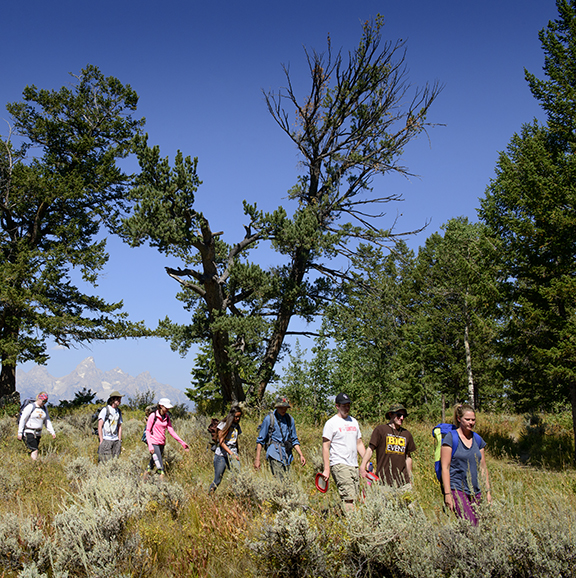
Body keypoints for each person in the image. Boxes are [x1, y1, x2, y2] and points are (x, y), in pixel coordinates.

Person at [440, 403, 492, 526]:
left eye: (473, 420)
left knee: (480, 525)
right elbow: (445, 468)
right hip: (457, 488)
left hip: (476, 490)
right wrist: (447, 494)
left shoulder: (478, 440)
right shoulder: (451, 438)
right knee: (470, 524)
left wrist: (488, 492)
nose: (471, 423)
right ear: (459, 419)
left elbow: (483, 467)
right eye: (467, 419)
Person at [321, 393, 365, 511]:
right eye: (344, 405)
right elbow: (325, 446)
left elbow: (359, 443)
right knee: (349, 497)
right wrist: (326, 469)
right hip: (339, 463)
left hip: (353, 464)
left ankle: (334, 514)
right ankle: (352, 525)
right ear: (337, 406)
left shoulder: (354, 422)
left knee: (354, 496)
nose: (347, 408)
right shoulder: (331, 423)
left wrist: (365, 462)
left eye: (348, 405)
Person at [359, 403, 416, 489]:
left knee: (407, 502)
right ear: (391, 415)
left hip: (403, 482)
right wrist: (363, 466)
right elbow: (370, 449)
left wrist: (410, 478)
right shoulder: (381, 430)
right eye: (399, 415)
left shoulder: (406, 434)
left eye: (404, 416)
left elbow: (408, 458)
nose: (402, 418)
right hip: (384, 481)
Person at [254, 396, 306, 478]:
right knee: (279, 480)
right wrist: (257, 459)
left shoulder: (289, 419)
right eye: (281, 407)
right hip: (274, 453)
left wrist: (301, 455)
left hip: (287, 454)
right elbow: (260, 440)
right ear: (277, 407)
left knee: (288, 481)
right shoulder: (269, 419)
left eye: (285, 407)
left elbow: (294, 439)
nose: (283, 410)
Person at [145, 398, 189, 479]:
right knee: (160, 467)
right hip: (154, 444)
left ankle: (143, 482)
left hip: (162, 444)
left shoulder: (167, 417)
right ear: (161, 406)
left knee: (151, 464)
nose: (168, 409)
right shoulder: (153, 416)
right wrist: (150, 445)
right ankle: (162, 488)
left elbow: (171, 431)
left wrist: (182, 443)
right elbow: (147, 431)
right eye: (166, 407)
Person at [209, 406, 243, 493]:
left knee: (237, 477)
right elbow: (221, 442)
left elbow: (235, 441)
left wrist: (236, 452)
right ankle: (210, 494)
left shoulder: (236, 426)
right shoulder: (223, 425)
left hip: (233, 453)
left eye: (239, 416)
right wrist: (231, 453)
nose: (238, 418)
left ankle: (238, 497)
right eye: (236, 416)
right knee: (218, 479)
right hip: (221, 455)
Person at [17, 392, 56, 461]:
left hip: (38, 433)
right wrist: (20, 432)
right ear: (39, 399)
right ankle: (34, 465)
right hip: (29, 431)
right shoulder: (31, 407)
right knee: (35, 450)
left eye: (46, 401)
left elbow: (47, 421)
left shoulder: (44, 408)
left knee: (33, 450)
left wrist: (52, 432)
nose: (44, 403)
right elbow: (23, 419)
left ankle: (29, 464)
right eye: (43, 401)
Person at [97, 391, 123, 463]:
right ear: (113, 400)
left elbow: (119, 426)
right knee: (105, 461)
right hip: (106, 440)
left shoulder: (118, 411)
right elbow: (99, 426)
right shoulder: (105, 410)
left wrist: (119, 440)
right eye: (118, 399)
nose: (119, 401)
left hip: (115, 440)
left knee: (115, 461)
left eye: (120, 399)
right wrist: (101, 440)